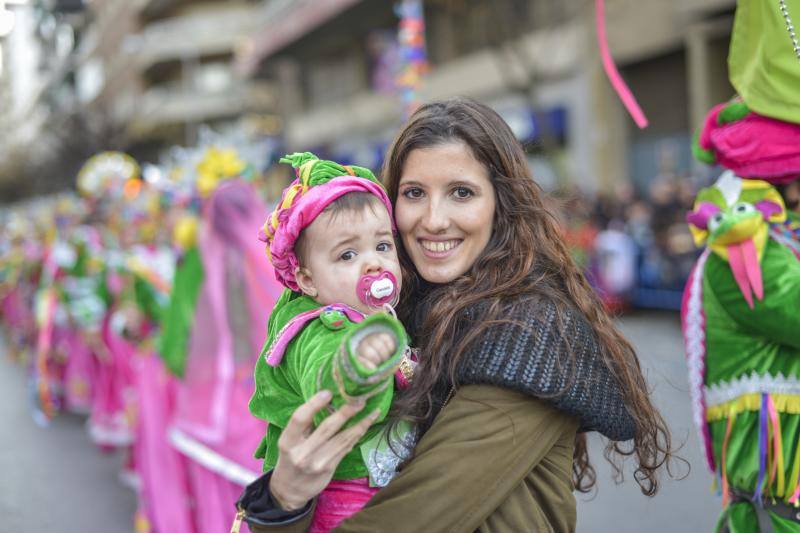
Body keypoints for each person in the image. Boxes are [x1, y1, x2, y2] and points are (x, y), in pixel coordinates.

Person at [237, 98, 675, 532]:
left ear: (501, 205)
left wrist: (283, 507)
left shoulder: (529, 331)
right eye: (414, 194)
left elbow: (409, 520)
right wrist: (286, 497)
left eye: (461, 193)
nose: (433, 219)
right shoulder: (394, 311)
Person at [246, 153, 415, 533]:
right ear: (307, 281)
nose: (373, 264)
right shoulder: (322, 327)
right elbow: (327, 379)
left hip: (384, 479)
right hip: (344, 495)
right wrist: (356, 366)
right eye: (348, 254)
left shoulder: (376, 314)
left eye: (383, 246)